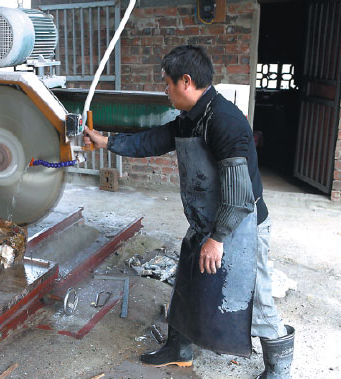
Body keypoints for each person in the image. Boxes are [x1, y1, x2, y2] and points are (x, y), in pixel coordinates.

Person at [84, 45, 295, 378]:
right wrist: (107, 142)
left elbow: (240, 195)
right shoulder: (191, 117)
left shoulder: (224, 121)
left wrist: (218, 238)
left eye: (166, 83)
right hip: (205, 221)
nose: (164, 90)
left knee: (256, 302)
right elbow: (153, 140)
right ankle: (178, 349)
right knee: (186, 286)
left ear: (185, 81)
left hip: (240, 226)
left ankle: (279, 369)